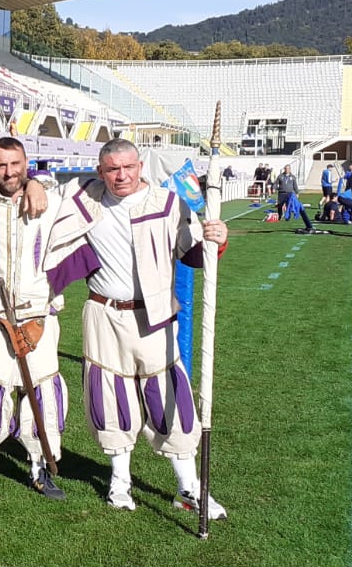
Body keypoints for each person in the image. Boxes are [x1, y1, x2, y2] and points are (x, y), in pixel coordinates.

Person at [43, 138, 228, 518]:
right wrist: (30, 183)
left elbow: (192, 251)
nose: (121, 176)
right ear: (100, 171)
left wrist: (218, 241)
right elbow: (32, 187)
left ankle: (188, 488)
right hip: (103, 314)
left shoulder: (166, 203)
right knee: (111, 398)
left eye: (128, 167)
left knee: (169, 398)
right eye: (112, 169)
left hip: (154, 316)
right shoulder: (84, 198)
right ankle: (119, 483)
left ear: (140, 166)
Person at [0, 137, 68, 500]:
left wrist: (39, 179)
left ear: (26, 163)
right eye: (0, 166)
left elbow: (90, 190)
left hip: (38, 313)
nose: (9, 172)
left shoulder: (48, 203)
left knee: (43, 391)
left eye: (16, 164)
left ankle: (40, 465)